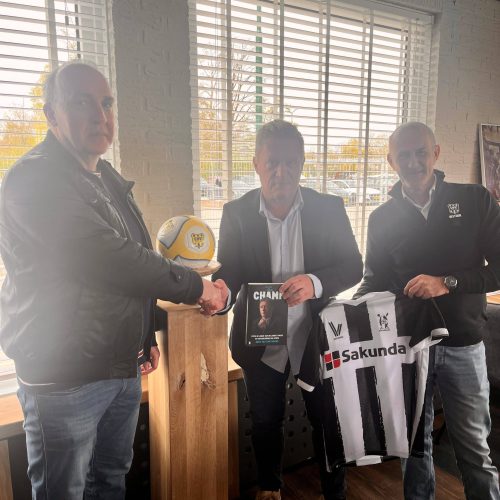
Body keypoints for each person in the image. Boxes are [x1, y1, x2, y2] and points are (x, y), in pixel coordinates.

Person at [0, 61, 228, 499]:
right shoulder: (34, 179)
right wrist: (199, 287)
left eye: (106, 103)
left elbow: (132, 265)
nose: (99, 116)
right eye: (81, 103)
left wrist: (144, 337)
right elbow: (113, 259)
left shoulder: (104, 177)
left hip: (119, 366)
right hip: (64, 378)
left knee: (110, 480)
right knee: (63, 492)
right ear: (51, 114)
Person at [213, 119, 363, 500]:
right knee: (265, 421)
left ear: (302, 163)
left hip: (314, 338)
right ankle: (269, 488)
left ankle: (335, 494)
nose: (281, 171)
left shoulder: (329, 208)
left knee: (327, 422)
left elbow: (353, 266)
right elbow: (229, 272)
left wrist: (314, 282)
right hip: (260, 341)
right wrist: (220, 293)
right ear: (256, 164)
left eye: (291, 162)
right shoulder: (236, 212)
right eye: (272, 162)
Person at [355, 121, 500, 500]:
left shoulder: (474, 200)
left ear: (436, 153)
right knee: (414, 450)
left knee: (474, 449)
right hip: (408, 347)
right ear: (391, 161)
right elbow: (375, 281)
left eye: (421, 152)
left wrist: (447, 282)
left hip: (464, 346)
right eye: (403, 155)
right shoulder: (381, 218)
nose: (413, 161)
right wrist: (344, 312)